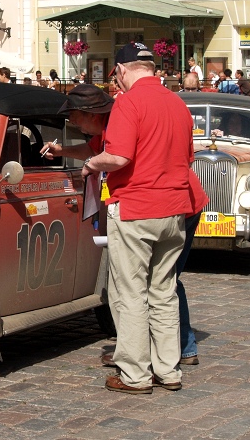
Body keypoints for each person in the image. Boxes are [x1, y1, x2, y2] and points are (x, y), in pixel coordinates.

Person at [81, 42, 193, 394]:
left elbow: (118, 157)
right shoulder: (177, 103)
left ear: (121, 70)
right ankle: (168, 370)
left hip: (136, 208)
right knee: (163, 291)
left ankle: (135, 375)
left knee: (130, 293)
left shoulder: (128, 103)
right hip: (173, 209)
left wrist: (91, 163)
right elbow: (186, 157)